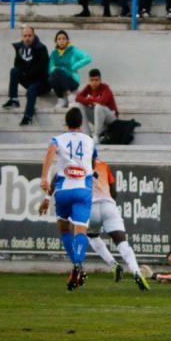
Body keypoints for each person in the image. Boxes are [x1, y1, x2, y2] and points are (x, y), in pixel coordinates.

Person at [39, 107, 96, 291]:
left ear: (66, 123)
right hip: (82, 190)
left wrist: (44, 178)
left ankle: (76, 265)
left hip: (63, 190)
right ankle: (78, 265)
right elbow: (94, 163)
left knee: (64, 227)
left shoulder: (58, 139)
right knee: (80, 230)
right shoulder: (90, 140)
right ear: (81, 124)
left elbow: (49, 153)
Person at [77, 160, 150, 290]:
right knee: (122, 243)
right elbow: (113, 190)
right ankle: (136, 271)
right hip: (108, 206)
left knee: (92, 236)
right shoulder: (103, 164)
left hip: (89, 207)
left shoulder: (74, 163)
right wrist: (110, 205)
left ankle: (112, 264)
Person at [3, 25, 49, 126]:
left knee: (32, 89)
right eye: (25, 36)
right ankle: (14, 99)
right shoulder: (20, 48)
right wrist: (23, 71)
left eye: (29, 35)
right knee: (14, 71)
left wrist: (26, 72)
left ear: (33, 35)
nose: (27, 38)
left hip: (42, 82)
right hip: (29, 79)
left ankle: (28, 117)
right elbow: (17, 64)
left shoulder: (41, 48)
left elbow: (41, 69)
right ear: (22, 36)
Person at [48, 30, 91, 110]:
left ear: (67, 40)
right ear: (56, 41)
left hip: (72, 81)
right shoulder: (54, 54)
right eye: (59, 39)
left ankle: (70, 97)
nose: (61, 41)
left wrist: (74, 66)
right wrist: (57, 69)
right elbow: (50, 69)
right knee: (51, 77)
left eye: (64, 38)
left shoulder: (73, 50)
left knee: (57, 71)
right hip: (59, 79)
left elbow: (88, 58)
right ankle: (61, 99)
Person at [74, 69, 119, 143]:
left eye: (96, 80)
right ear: (89, 81)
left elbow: (102, 101)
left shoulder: (105, 88)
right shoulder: (88, 87)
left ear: (100, 80)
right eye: (92, 80)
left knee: (98, 106)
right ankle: (87, 135)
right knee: (79, 105)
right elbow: (77, 98)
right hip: (99, 118)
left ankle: (96, 136)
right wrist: (90, 100)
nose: (94, 82)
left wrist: (90, 99)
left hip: (111, 119)